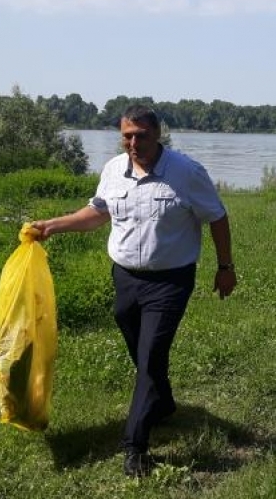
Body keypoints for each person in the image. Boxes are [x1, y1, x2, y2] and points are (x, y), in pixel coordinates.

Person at [31, 105, 237, 477]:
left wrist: (225, 268)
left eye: (141, 135)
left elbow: (217, 217)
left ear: (158, 134)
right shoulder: (113, 170)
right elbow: (96, 213)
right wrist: (52, 225)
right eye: (127, 135)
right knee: (144, 355)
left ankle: (135, 447)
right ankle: (164, 403)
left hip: (170, 280)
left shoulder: (186, 173)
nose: (133, 142)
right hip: (125, 278)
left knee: (149, 356)